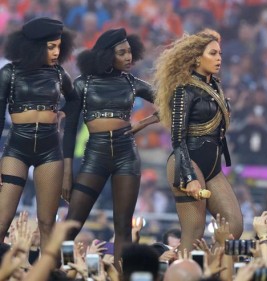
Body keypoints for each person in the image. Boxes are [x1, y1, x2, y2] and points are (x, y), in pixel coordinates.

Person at [62, 28, 158, 264]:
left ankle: (119, 276)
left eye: (129, 52)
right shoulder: (82, 84)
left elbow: (170, 103)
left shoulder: (132, 82)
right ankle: (56, 272)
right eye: (122, 53)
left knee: (123, 227)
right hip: (95, 155)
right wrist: (66, 174)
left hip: (127, 155)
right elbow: (70, 129)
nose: (128, 57)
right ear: (107, 55)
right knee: (71, 224)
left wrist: (142, 123)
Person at [154, 29, 243, 251]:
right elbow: (177, 138)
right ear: (196, 57)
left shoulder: (215, 86)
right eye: (213, 53)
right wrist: (189, 176)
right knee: (193, 232)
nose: (219, 58)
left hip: (212, 165)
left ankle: (209, 268)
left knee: (233, 228)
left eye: (220, 53)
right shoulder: (184, 90)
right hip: (187, 162)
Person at [0, 17, 76, 250]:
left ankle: (48, 274)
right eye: (50, 46)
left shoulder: (59, 73)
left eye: (59, 46)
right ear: (34, 47)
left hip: (50, 149)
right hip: (16, 147)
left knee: (46, 223)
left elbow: (74, 101)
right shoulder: (9, 73)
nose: (56, 52)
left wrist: (62, 113)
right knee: (2, 220)